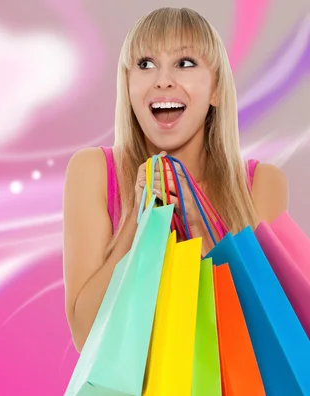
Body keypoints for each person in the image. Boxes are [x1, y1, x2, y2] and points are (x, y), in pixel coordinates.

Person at [62, 7, 289, 353]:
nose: (162, 80)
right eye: (145, 64)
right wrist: (138, 222)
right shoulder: (92, 170)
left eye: (184, 63)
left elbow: (267, 341)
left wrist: (196, 219)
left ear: (215, 90)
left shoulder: (261, 184)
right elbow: (84, 335)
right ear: (127, 87)